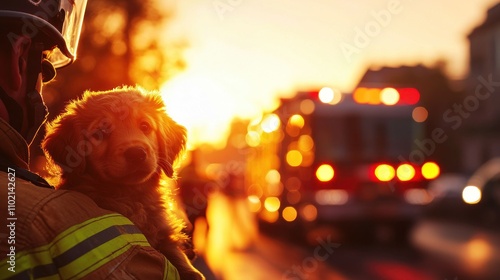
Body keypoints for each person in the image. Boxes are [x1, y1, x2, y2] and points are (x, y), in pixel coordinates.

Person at [0, 1, 180, 279]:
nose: (134, 146)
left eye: (145, 126)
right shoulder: (57, 219)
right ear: (19, 57)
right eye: (100, 133)